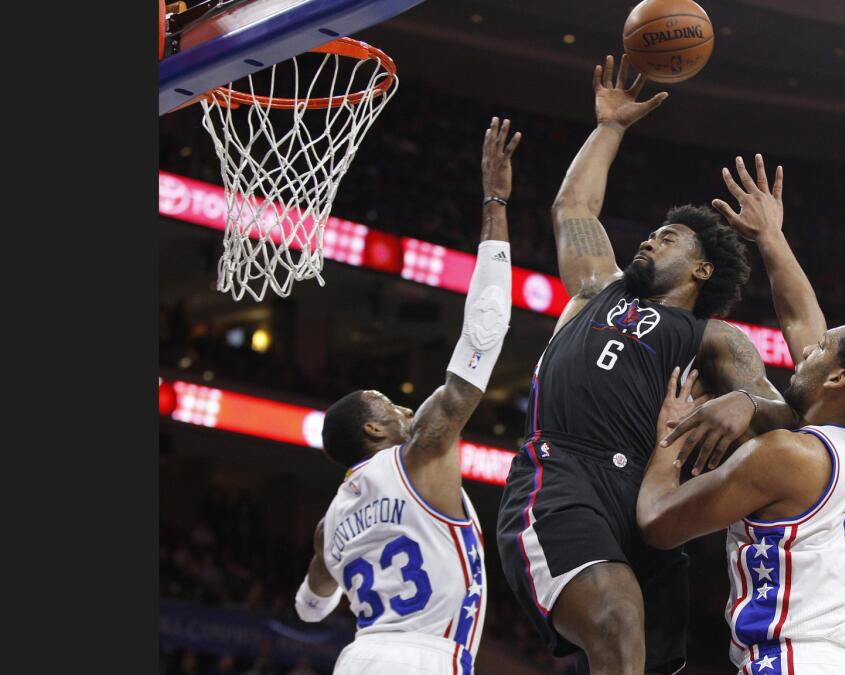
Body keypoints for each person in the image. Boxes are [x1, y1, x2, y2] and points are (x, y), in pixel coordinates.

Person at [495, 56, 799, 675]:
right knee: (616, 616)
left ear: (703, 269)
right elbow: (573, 209)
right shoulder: (594, 289)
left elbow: (787, 416)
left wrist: (745, 403)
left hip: (650, 504)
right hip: (563, 475)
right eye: (652, 233)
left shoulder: (716, 338)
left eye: (667, 238)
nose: (647, 240)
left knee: (647, 661)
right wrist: (609, 127)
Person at [638, 155, 845, 675]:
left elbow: (658, 523)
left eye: (819, 354)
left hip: (787, 662)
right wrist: (769, 235)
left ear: (838, 379)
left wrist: (667, 444)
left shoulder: (786, 456)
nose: (805, 351)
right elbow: (798, 314)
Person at [292, 118, 522, 675]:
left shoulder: (330, 523)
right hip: (424, 659)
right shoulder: (421, 447)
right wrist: (495, 201)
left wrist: (326, 577)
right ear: (372, 430)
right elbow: (484, 332)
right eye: (385, 403)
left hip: (358, 658)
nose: (401, 407)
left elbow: (309, 608)